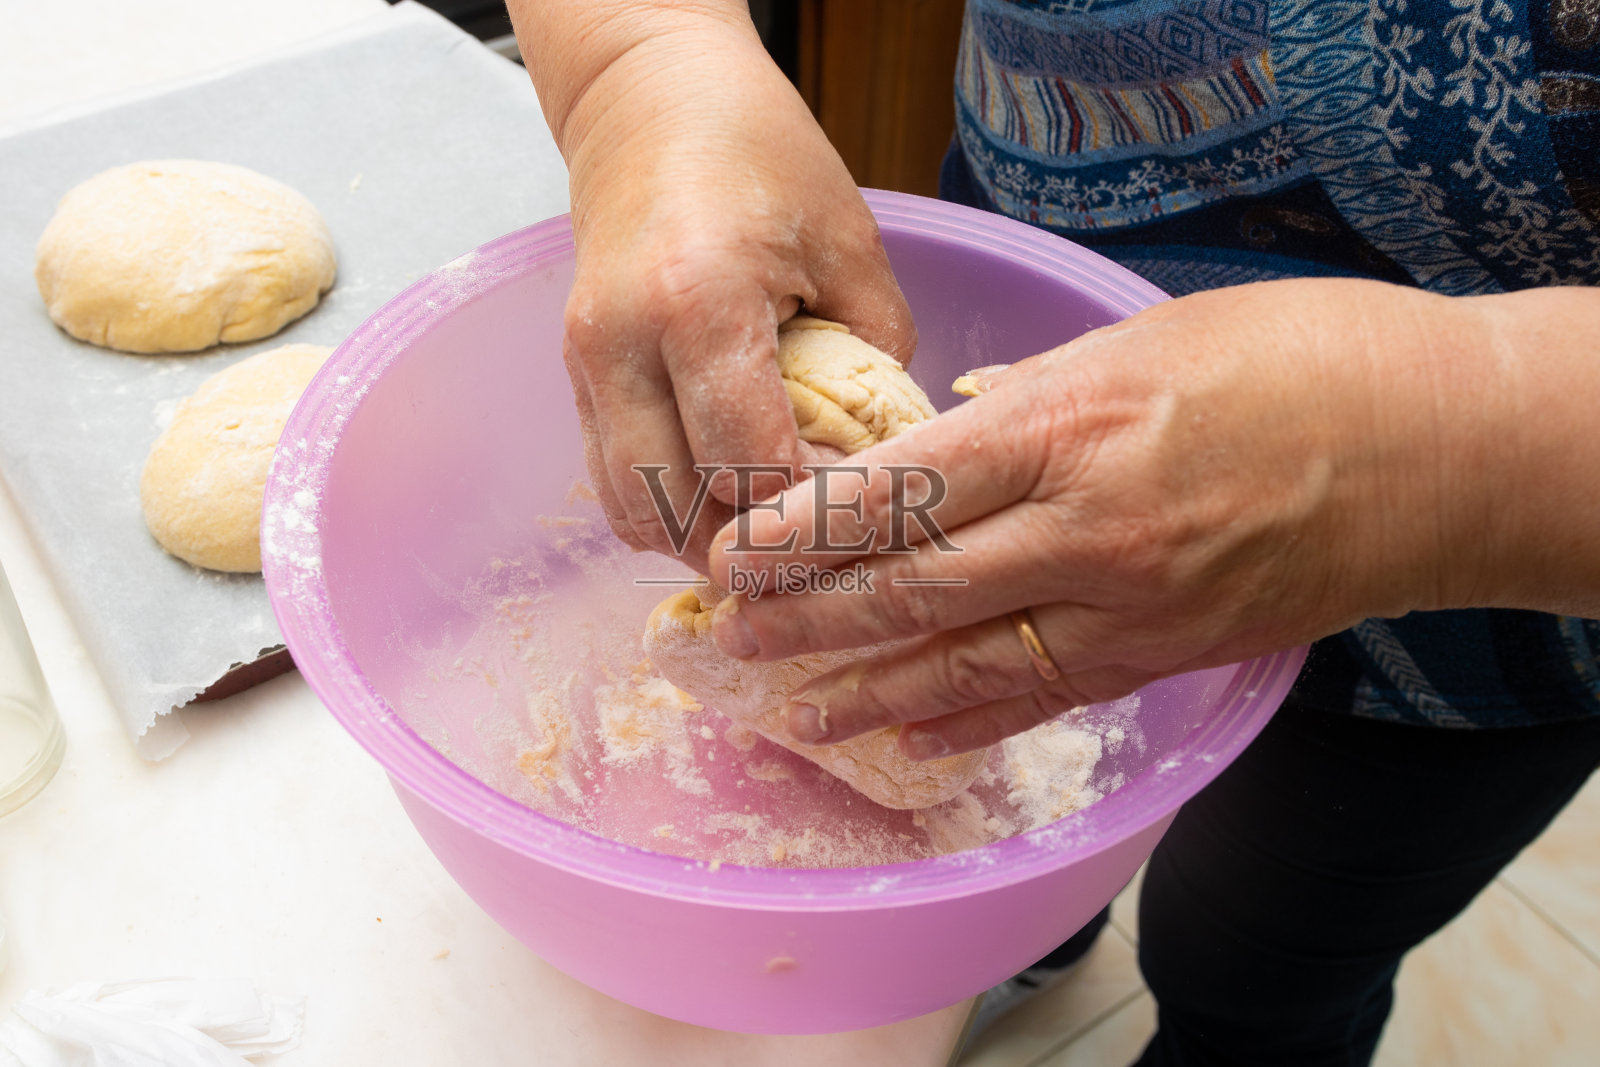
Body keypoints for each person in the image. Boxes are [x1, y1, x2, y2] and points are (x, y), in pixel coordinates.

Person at [507, 1, 1600, 1062]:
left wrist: (1450, 454)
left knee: (1254, 953)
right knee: (1022, 828)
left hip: (1483, 617)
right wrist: (641, 64)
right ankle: (1039, 940)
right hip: (1028, 257)